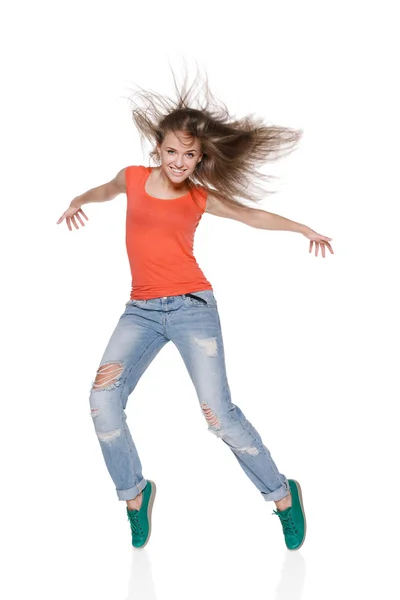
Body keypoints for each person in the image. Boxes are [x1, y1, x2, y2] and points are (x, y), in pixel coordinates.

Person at [57, 73, 333, 551]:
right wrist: (79, 199)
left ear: (200, 157)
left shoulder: (198, 197)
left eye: (190, 155)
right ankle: (134, 495)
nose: (180, 162)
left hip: (192, 308)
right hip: (140, 311)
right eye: (171, 152)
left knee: (218, 415)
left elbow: (252, 215)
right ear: (157, 150)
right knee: (101, 401)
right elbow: (105, 190)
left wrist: (301, 228)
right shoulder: (133, 178)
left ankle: (283, 496)